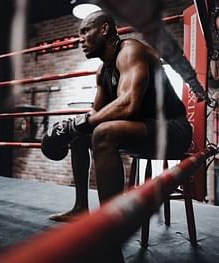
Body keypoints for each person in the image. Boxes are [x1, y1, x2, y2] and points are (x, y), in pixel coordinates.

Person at [41, 10, 192, 261]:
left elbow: (128, 104)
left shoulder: (130, 51)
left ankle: (109, 235)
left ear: (105, 29)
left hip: (173, 130)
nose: (80, 39)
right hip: (144, 129)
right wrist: (73, 127)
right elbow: (96, 112)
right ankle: (80, 208)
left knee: (103, 131)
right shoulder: (103, 71)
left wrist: (80, 124)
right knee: (82, 135)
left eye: (85, 31)